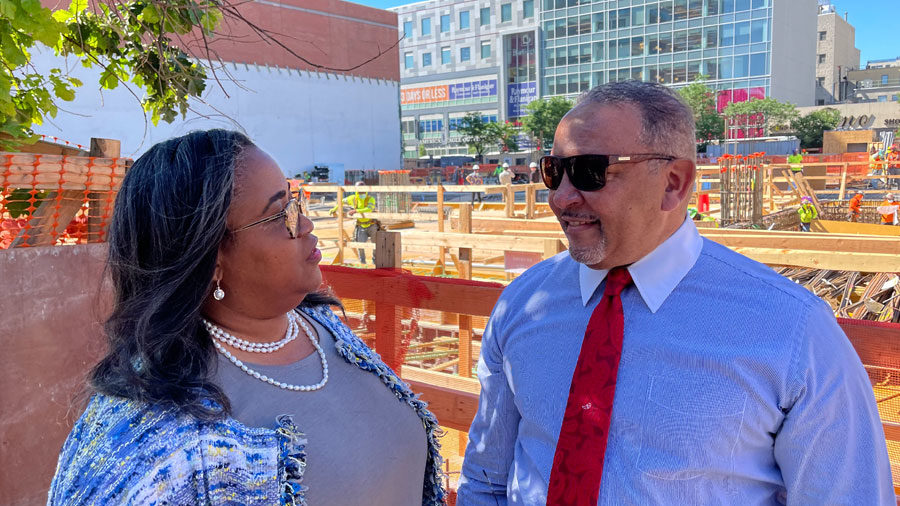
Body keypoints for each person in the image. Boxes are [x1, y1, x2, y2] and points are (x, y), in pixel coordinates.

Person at [458, 81, 893, 505]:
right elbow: (487, 479)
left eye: (590, 172)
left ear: (673, 182)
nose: (562, 197)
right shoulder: (521, 306)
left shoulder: (793, 331)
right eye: (554, 171)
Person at [48, 130, 446, 505]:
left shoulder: (320, 328)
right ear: (211, 257)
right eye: (279, 216)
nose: (305, 224)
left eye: (295, 203)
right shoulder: (148, 430)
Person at [330, 181, 378, 264]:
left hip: (372, 225)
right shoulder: (353, 198)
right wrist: (334, 209)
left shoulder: (371, 199)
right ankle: (363, 263)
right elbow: (341, 201)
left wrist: (356, 210)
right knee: (359, 245)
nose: (360, 191)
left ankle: (375, 261)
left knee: (376, 244)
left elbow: (369, 209)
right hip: (361, 226)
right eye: (358, 189)